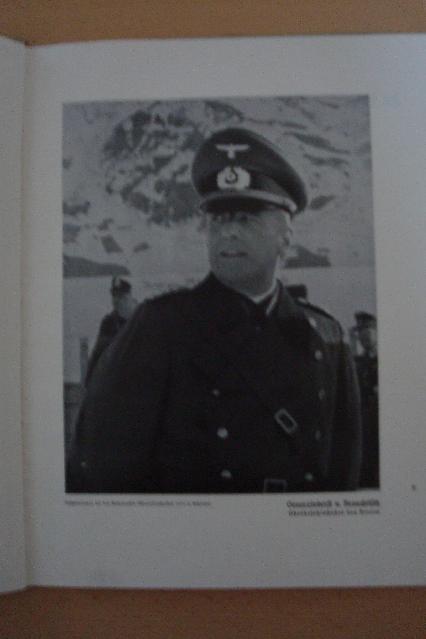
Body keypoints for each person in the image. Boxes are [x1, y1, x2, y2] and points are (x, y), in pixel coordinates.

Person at [67, 127, 362, 494]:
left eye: (247, 218)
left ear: (286, 235)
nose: (229, 232)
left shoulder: (324, 336)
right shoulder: (160, 326)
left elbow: (345, 473)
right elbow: (102, 468)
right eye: (219, 219)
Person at [85, 277, 136, 384]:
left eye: (121, 296)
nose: (116, 300)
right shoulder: (108, 323)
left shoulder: (141, 319)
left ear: (129, 297)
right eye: (114, 295)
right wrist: (88, 382)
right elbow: (97, 353)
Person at [354, 312, 379, 488]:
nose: (363, 335)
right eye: (360, 331)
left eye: (367, 330)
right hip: (364, 418)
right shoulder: (358, 361)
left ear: (376, 332)